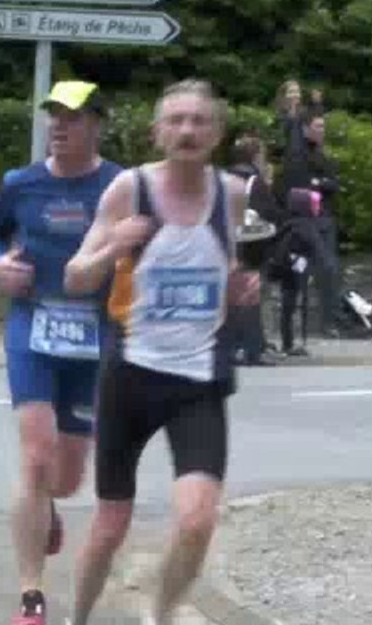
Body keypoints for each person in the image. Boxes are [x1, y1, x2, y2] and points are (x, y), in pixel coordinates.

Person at [63, 80, 259, 625]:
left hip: (198, 382)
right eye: (176, 120)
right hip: (130, 375)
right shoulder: (130, 190)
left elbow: (231, 269)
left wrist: (242, 289)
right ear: (157, 132)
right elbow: (76, 276)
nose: (188, 130)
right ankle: (76, 617)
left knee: (197, 521)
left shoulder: (233, 195)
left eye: (199, 121)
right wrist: (112, 246)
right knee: (109, 525)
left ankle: (161, 614)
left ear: (217, 133)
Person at [0, 81, 123, 625]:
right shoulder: (22, 183)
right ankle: (31, 596)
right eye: (53, 117)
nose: (59, 127)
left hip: (94, 338)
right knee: (36, 457)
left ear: (97, 125)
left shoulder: (119, 186)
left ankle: (48, 509)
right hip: (33, 327)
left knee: (64, 480)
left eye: (73, 117)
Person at [280, 110, 344, 337]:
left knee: (329, 270)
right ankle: (298, 326)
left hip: (324, 216)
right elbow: (300, 187)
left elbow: (333, 184)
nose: (322, 131)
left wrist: (321, 183)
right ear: (306, 128)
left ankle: (330, 321)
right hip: (308, 219)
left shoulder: (321, 154)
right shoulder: (297, 154)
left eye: (323, 127)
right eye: (317, 126)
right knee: (309, 269)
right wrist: (321, 183)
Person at [226, 130, 286, 366]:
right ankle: (253, 349)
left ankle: (233, 348)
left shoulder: (224, 178)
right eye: (261, 155)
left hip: (227, 247)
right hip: (250, 249)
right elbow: (271, 215)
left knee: (231, 300)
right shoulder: (255, 181)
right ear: (254, 156)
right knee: (251, 300)